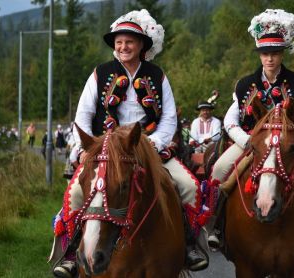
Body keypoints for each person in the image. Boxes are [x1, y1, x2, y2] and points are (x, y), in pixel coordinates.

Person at [51, 9, 208, 277]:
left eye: (129, 42)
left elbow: (169, 117)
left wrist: (154, 144)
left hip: (149, 148)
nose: (123, 47)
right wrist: (84, 146)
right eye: (119, 42)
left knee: (188, 186)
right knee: (76, 193)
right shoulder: (100, 74)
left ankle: (190, 246)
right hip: (105, 150)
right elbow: (83, 115)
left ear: (141, 46)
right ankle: (72, 252)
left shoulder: (157, 76)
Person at [207, 9, 294, 253]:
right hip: (251, 142)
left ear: (282, 53)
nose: (270, 59)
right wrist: (246, 141)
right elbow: (230, 119)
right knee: (219, 169)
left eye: (275, 53)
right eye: (265, 54)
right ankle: (217, 228)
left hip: (290, 145)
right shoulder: (245, 84)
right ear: (260, 55)